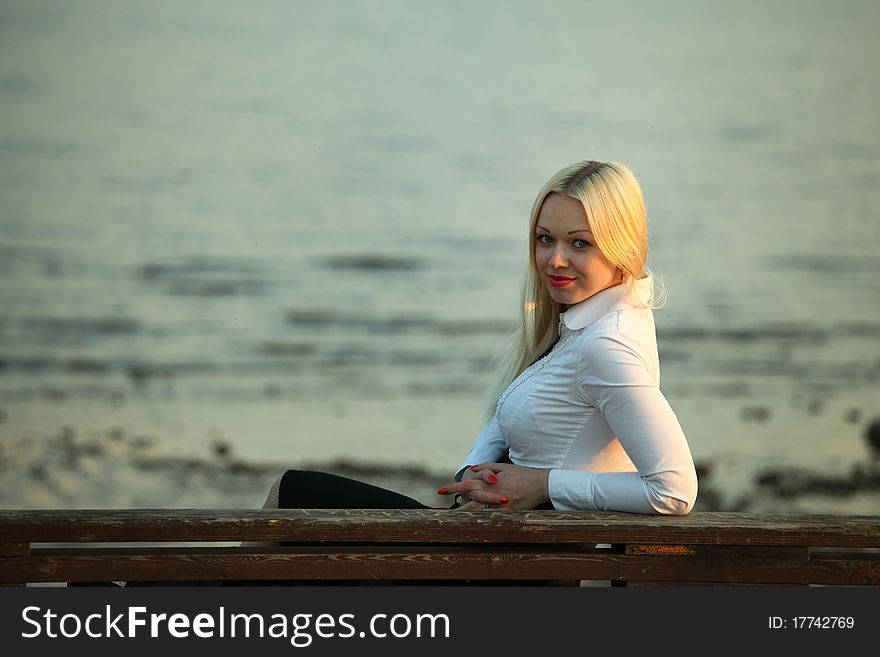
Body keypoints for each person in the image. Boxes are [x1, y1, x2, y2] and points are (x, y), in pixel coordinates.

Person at [261, 160, 697, 517]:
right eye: (546, 239)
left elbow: (674, 489)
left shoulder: (606, 345)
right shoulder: (590, 321)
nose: (555, 260)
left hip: (514, 565)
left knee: (292, 492)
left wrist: (543, 484)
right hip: (493, 540)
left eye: (580, 243)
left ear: (620, 246)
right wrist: (475, 468)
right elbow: (520, 413)